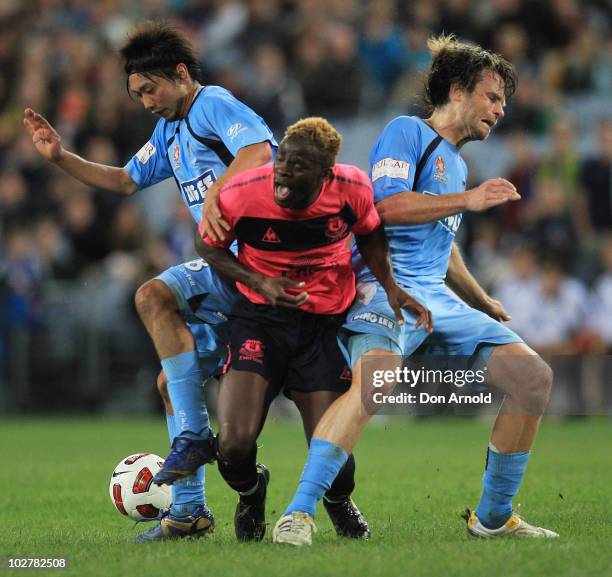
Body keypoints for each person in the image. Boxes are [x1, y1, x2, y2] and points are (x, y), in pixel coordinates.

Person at [272, 34, 559, 546]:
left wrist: (480, 298)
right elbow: (387, 208)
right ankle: (297, 514)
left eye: (504, 101)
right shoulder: (407, 132)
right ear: (457, 91)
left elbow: (442, 246)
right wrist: (468, 201)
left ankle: (493, 518)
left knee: (532, 378)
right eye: (492, 97)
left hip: (439, 299)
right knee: (376, 383)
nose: (501, 108)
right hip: (385, 288)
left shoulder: (459, 165)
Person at [23, 21, 276, 542]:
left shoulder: (212, 105)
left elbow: (260, 154)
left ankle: (315, 496)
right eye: (136, 94)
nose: (144, 102)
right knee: (169, 379)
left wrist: (217, 194)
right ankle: (189, 511)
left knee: (154, 295)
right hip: (228, 275)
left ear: (180, 75)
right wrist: (60, 157)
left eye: (149, 89)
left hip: (261, 270)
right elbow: (122, 179)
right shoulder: (168, 131)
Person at [198, 117, 432, 542]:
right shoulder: (242, 192)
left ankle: (338, 501)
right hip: (260, 320)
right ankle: (252, 493)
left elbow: (370, 236)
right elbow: (208, 245)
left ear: (326, 175)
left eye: (299, 165)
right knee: (232, 445)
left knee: (337, 460)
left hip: (322, 325)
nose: (283, 170)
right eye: (282, 159)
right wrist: (258, 281)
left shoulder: (353, 189)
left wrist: (392, 287)